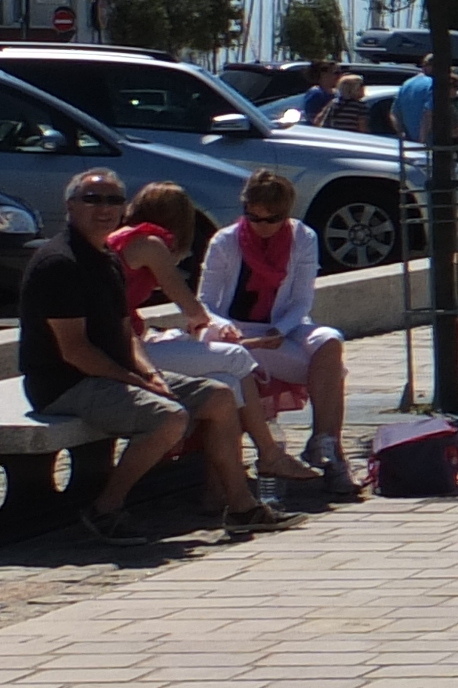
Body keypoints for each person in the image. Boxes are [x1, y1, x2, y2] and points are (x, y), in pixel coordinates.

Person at [17, 171, 280, 544]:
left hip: (113, 375)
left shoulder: (106, 257)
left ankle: (240, 506)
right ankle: (105, 509)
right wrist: (137, 383)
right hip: (66, 383)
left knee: (220, 396)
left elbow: (127, 334)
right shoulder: (59, 264)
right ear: (71, 206)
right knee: (169, 418)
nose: (104, 209)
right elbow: (75, 351)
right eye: (92, 199)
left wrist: (150, 373)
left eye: (113, 200)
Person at [110, 183, 316, 506]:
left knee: (227, 384)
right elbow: (191, 307)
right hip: (125, 351)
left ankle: (218, 491)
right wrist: (216, 328)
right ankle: (270, 453)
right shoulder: (150, 243)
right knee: (234, 356)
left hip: (125, 342)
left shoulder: (121, 240)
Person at [197, 167, 362, 499]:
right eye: (253, 218)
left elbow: (301, 300)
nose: (261, 227)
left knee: (330, 341)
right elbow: (205, 302)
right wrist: (222, 325)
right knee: (330, 372)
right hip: (237, 333)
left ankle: (324, 444)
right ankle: (329, 458)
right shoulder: (225, 241)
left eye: (271, 220)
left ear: (285, 215)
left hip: (284, 327)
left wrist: (279, 330)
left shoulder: (303, 238)